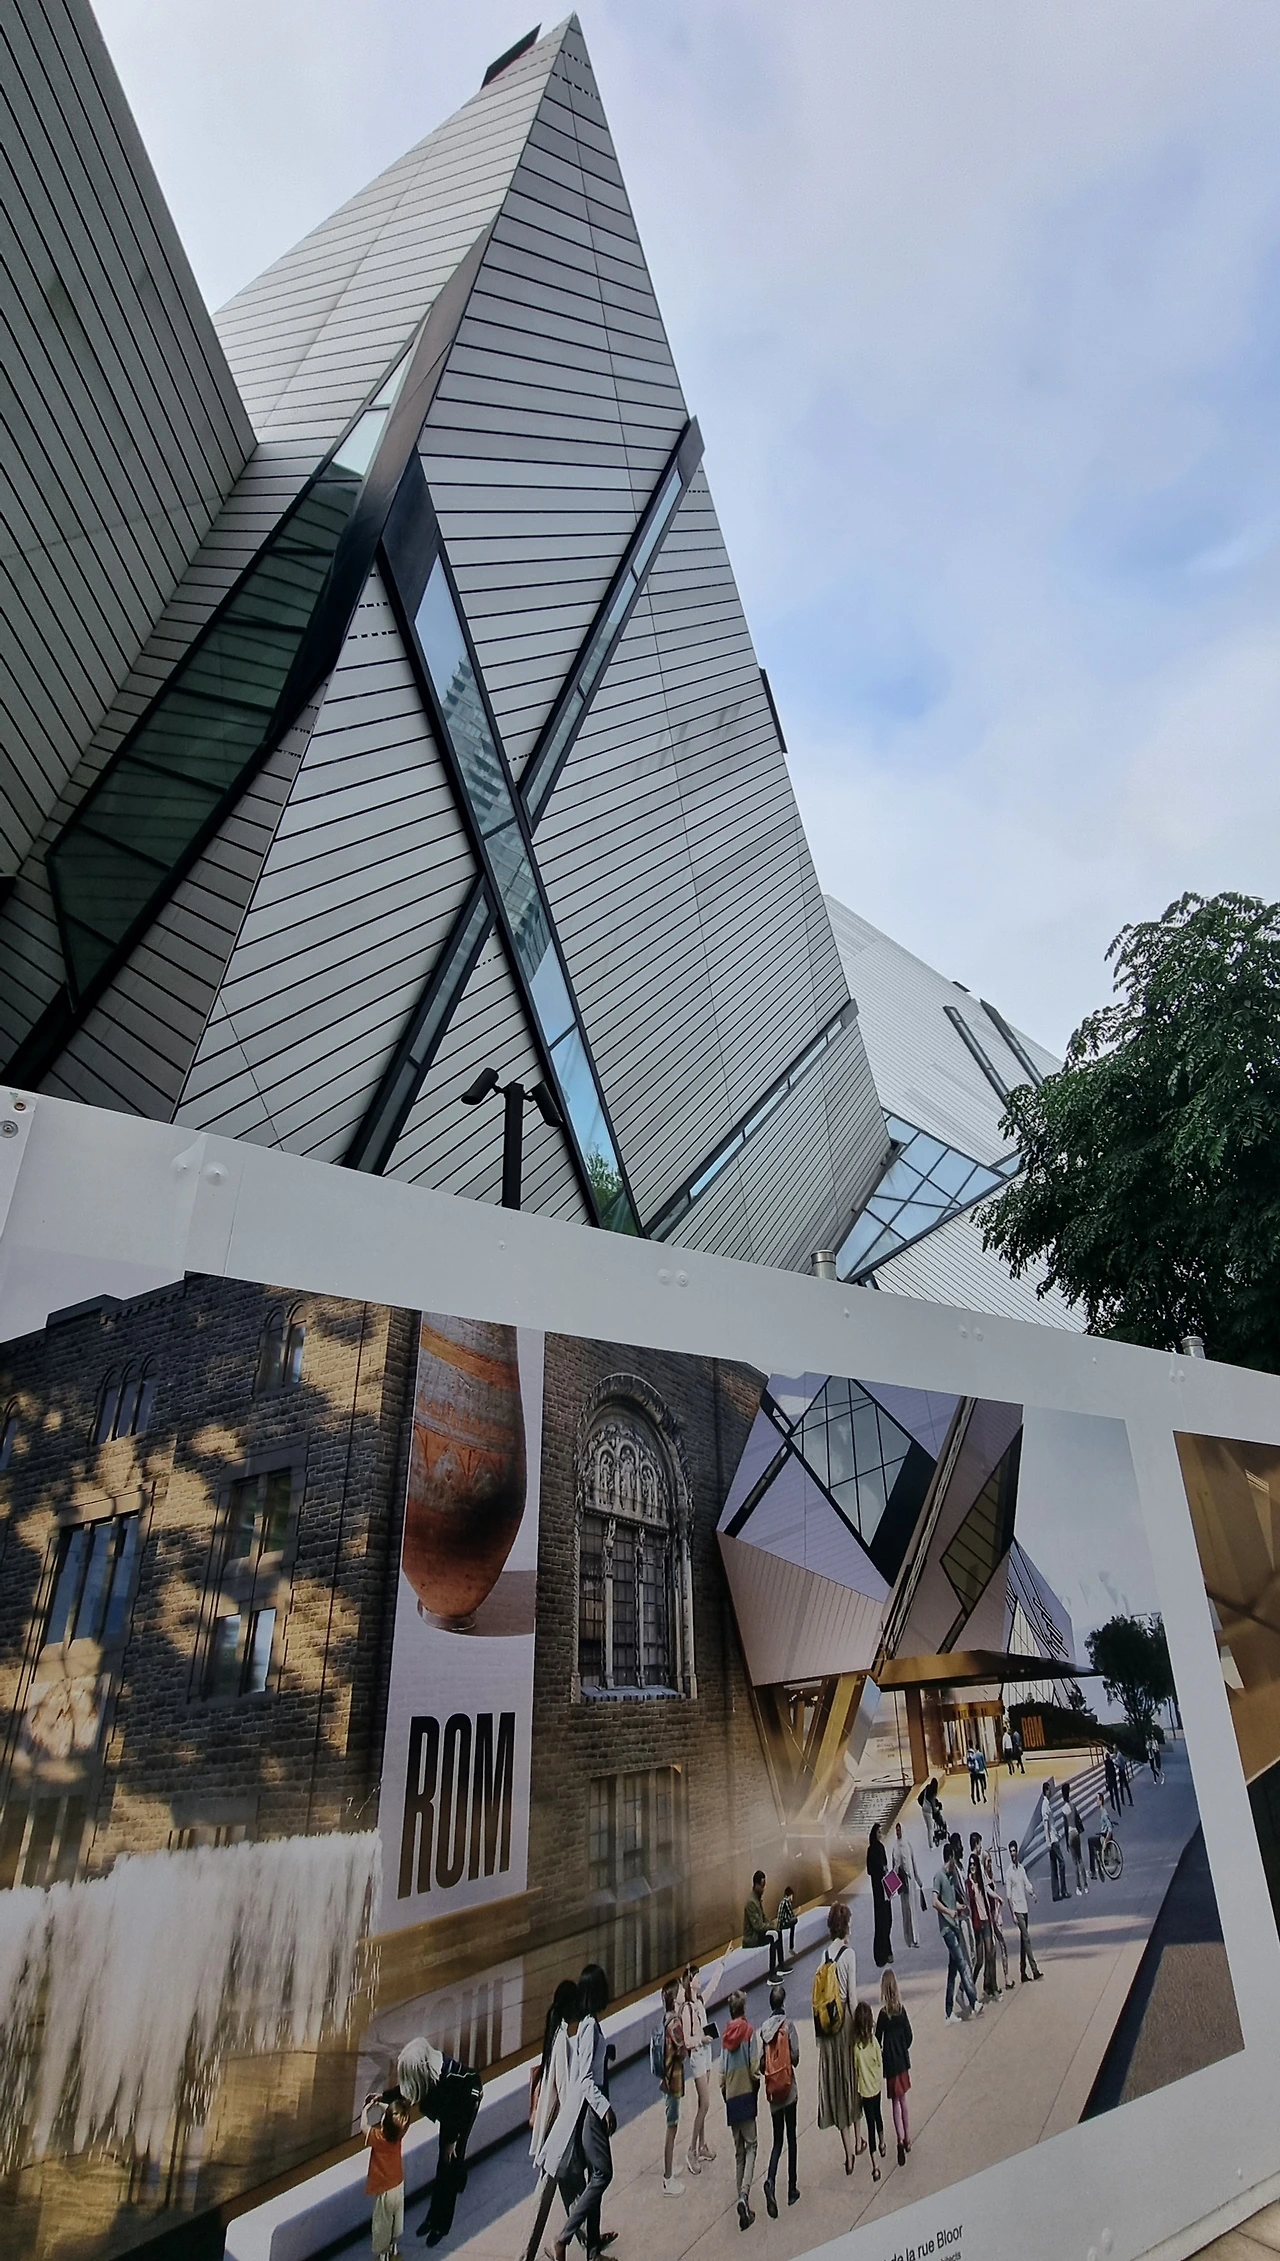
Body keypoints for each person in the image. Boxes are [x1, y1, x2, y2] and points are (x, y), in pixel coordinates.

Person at [387, 2036, 483, 2248]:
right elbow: (407, 2088)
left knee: (449, 2166)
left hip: (464, 2106)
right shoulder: (431, 2074)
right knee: (444, 2165)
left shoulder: (449, 2079)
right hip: (452, 2110)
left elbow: (457, 2114)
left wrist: (454, 2141)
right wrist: (383, 2097)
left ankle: (442, 2224)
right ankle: (434, 2216)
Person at [549, 1965, 616, 2261]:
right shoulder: (589, 2027)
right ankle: (563, 2237)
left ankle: (593, 2251)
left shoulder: (589, 2026)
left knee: (594, 2177)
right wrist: (605, 2108)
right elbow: (586, 2079)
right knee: (603, 2174)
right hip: (592, 2111)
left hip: (591, 2108)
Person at [525, 1980, 581, 2261]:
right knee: (543, 2199)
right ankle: (524, 2256)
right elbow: (566, 2090)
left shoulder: (555, 2036)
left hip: (553, 2132)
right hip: (557, 2135)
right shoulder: (561, 2042)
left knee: (573, 2189)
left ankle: (589, 2239)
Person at [814, 1900, 861, 2171]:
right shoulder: (849, 1955)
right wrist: (861, 2027)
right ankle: (859, 2138)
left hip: (828, 2027)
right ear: (845, 1926)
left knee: (837, 2085)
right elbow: (852, 1998)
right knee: (852, 2079)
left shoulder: (824, 1956)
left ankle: (848, 2153)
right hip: (845, 2023)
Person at [719, 1988, 761, 2231]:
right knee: (752, 2146)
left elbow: (721, 2074)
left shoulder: (725, 2037)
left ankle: (741, 2201)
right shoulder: (749, 2032)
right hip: (746, 2095)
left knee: (738, 2153)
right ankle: (744, 2195)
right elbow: (754, 2068)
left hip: (731, 2098)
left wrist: (726, 2092)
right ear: (743, 2009)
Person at [758, 1980, 800, 2217]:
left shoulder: (763, 2031)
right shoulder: (788, 2025)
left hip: (774, 2092)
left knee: (777, 2141)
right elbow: (796, 2057)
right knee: (792, 2138)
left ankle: (770, 2180)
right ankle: (792, 2189)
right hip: (789, 2089)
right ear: (783, 2002)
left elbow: (760, 2064)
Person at [933, 1839, 980, 2024]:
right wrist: (949, 1911)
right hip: (947, 1929)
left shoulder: (951, 1877)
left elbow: (952, 1902)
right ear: (950, 1858)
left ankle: (948, 2012)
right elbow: (935, 1902)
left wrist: (960, 1908)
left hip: (955, 1925)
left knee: (952, 1971)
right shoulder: (939, 1877)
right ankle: (974, 2001)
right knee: (962, 1963)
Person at [362, 2093, 409, 2261]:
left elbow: (363, 2126)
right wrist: (379, 2104)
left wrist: (366, 2109)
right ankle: (395, 2251)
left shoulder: (379, 2137)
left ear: (384, 2123)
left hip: (385, 2190)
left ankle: (383, 2257)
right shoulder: (399, 2133)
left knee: (382, 2224)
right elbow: (392, 2112)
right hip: (398, 2184)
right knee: (396, 2220)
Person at [680, 1963, 717, 2178]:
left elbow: (713, 1986)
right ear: (690, 1981)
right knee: (705, 2103)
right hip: (697, 2056)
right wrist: (701, 2039)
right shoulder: (686, 2009)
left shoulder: (700, 2001)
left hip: (707, 2052)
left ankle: (702, 2145)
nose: (700, 1979)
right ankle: (691, 2149)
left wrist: (722, 1964)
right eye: (697, 1976)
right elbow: (687, 2040)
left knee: (703, 2102)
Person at [876, 1968, 913, 2167]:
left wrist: (884, 2051)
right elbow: (909, 2036)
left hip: (890, 2062)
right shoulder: (901, 2011)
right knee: (903, 2100)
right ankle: (908, 2137)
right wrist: (903, 2048)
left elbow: (877, 2038)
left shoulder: (883, 2015)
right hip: (902, 2061)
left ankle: (898, 2138)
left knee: (894, 2104)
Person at [659, 1978, 688, 2196]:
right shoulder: (674, 2023)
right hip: (673, 2081)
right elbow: (682, 2050)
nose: (683, 1991)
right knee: (672, 2127)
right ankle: (668, 2179)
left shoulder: (667, 2018)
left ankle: (669, 2168)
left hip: (668, 2080)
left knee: (673, 2125)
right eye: (680, 1989)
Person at [852, 2002, 885, 2182]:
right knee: (879, 2116)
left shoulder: (856, 2048)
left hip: (864, 2091)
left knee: (869, 2124)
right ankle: (882, 2142)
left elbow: (855, 2068)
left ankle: (875, 2165)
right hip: (875, 2087)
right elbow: (879, 2061)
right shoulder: (874, 2042)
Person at [966, 1833, 999, 2000]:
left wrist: (996, 1897)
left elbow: (986, 1887)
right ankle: (969, 1987)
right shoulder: (969, 1883)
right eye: (979, 1844)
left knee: (990, 1952)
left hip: (985, 1919)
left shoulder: (979, 1878)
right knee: (980, 1960)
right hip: (977, 1923)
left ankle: (992, 1986)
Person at [1005, 1841, 1043, 1982]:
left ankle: (1022, 1972)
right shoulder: (1009, 1873)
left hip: (1024, 1907)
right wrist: (1013, 1914)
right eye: (1011, 1851)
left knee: (1023, 1941)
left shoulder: (1021, 1868)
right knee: (1026, 1938)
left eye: (1014, 1851)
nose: (1013, 1854)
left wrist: (1032, 1893)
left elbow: (1026, 1883)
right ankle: (1034, 1969)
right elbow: (1009, 1896)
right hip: (1018, 1910)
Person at [743, 1869, 782, 1980]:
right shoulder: (751, 1902)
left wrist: (774, 1924)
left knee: (778, 1932)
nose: (764, 1889)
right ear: (756, 1885)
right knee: (773, 1937)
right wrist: (771, 1927)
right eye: (762, 1886)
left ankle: (781, 1965)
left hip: (757, 1933)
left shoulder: (757, 1899)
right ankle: (771, 1974)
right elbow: (758, 1926)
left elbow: (764, 1918)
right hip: (752, 1938)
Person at [981, 1843, 1011, 1989]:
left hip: (996, 1914)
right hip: (989, 1917)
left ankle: (1005, 1977)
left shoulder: (991, 1876)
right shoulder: (984, 1879)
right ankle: (990, 1980)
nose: (990, 1864)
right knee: (991, 1951)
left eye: (991, 1861)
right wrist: (998, 1898)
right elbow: (988, 1893)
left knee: (1001, 1946)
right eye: (988, 1861)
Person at [892, 1821, 924, 1950]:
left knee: (912, 1910)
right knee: (905, 1912)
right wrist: (892, 1887)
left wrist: (918, 1879)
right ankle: (908, 1939)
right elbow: (893, 1868)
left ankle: (915, 1938)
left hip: (910, 1882)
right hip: (902, 1883)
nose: (898, 1832)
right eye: (896, 1830)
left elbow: (913, 1862)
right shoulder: (895, 1848)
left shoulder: (908, 1845)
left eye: (899, 1830)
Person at [868, 1821, 894, 1968]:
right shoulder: (873, 1849)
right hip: (879, 1891)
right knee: (883, 1921)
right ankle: (884, 1953)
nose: (880, 1835)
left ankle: (885, 1951)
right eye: (878, 1832)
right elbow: (872, 1869)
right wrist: (881, 1870)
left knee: (886, 1921)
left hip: (882, 1890)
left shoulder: (878, 1848)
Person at [1041, 1785, 1066, 1902]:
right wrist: (1049, 1841)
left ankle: (1055, 1893)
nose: (1051, 1792)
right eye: (1049, 1790)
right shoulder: (1045, 1806)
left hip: (1053, 1837)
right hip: (1053, 1841)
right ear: (1046, 1791)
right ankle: (1063, 1890)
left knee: (1054, 1866)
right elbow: (1046, 1825)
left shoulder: (1047, 1804)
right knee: (1062, 1863)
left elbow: (1051, 1824)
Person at [1063, 1788, 1088, 1896]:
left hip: (1070, 1834)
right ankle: (1085, 1885)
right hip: (1076, 1832)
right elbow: (1078, 1818)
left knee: (1074, 1862)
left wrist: (1066, 1842)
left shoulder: (1064, 1809)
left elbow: (1065, 1826)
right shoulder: (1073, 1805)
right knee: (1080, 1859)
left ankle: (1078, 1887)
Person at [776, 1885, 798, 1964]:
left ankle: (791, 1947)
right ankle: (791, 1947)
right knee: (795, 1920)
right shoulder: (786, 1901)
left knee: (792, 1924)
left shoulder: (783, 1901)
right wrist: (797, 1913)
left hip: (780, 1923)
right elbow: (791, 1914)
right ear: (790, 1895)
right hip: (782, 1923)